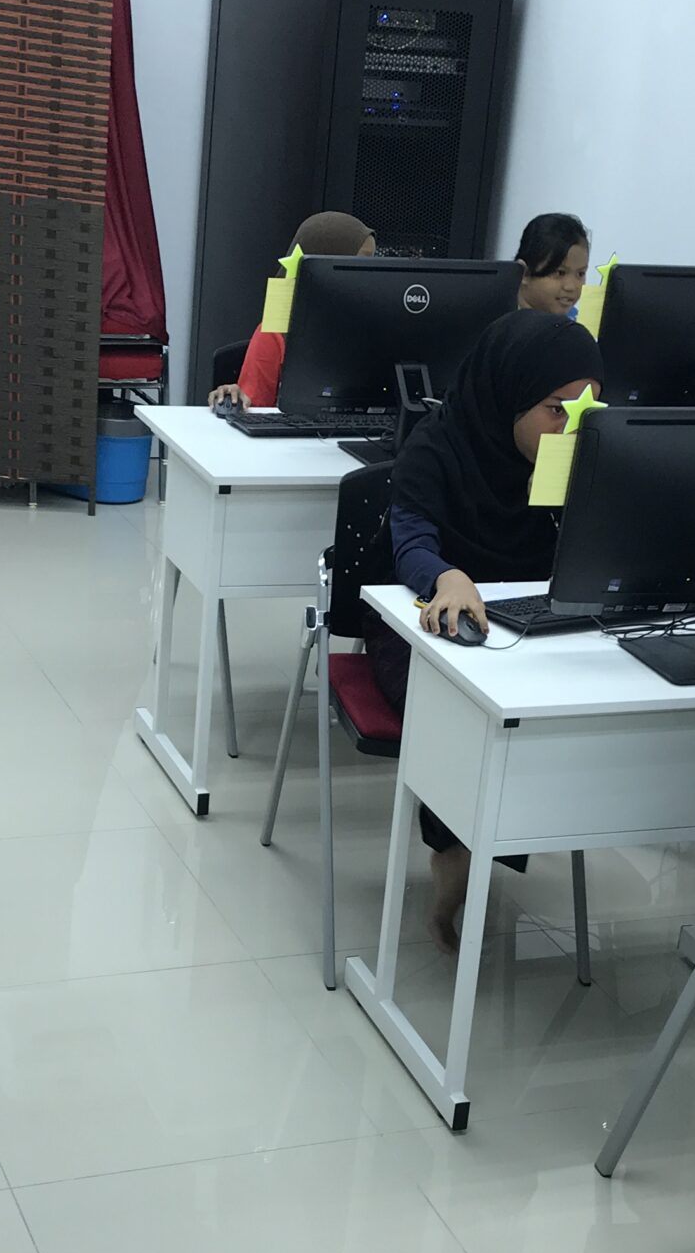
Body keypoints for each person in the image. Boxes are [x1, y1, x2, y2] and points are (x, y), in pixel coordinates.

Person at [368, 310, 605, 948]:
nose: (572, 426)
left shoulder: (583, 454)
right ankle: (455, 856)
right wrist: (446, 577)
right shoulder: (437, 446)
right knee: (468, 719)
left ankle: (501, 833)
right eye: (557, 409)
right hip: (424, 625)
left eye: (587, 409)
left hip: (530, 623)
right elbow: (410, 542)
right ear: (508, 396)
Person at [209, 211, 378, 409]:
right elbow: (254, 409)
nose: (372, 271)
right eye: (362, 261)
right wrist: (236, 397)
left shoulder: (377, 329)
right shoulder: (274, 334)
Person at [514, 212, 590, 319]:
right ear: (524, 273)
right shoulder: (497, 320)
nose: (571, 287)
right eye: (560, 273)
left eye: (581, 274)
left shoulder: (574, 323)